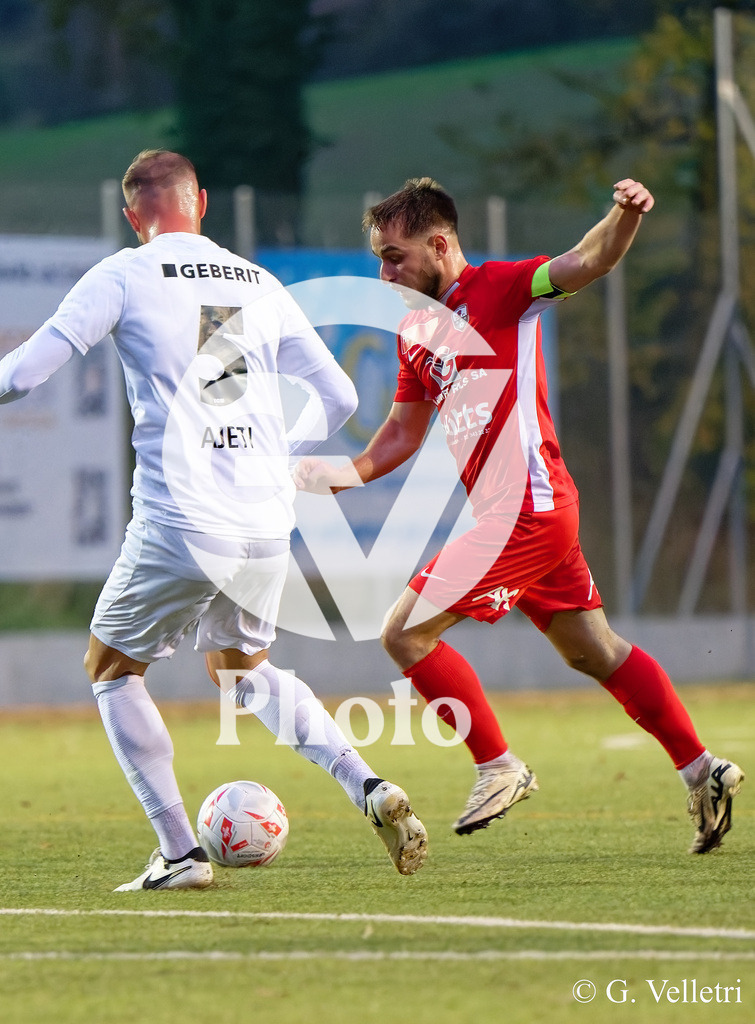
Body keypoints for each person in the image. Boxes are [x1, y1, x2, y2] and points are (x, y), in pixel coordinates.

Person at [0, 149, 427, 888]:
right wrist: (276, 452)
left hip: (181, 518)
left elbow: (32, 369)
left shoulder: (125, 273)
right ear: (200, 202)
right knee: (242, 669)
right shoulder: (257, 281)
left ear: (134, 217)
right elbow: (338, 397)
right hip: (263, 519)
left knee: (111, 669)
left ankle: (179, 853)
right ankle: (367, 785)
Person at [295, 175, 744, 854]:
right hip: (518, 516)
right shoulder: (415, 330)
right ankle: (701, 769)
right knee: (593, 651)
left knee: (403, 633)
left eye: (394, 256)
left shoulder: (501, 290)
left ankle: (497, 766)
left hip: (527, 511)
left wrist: (622, 214)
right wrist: (344, 473)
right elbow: (400, 433)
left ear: (440, 244)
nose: (382, 271)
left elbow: (586, 261)